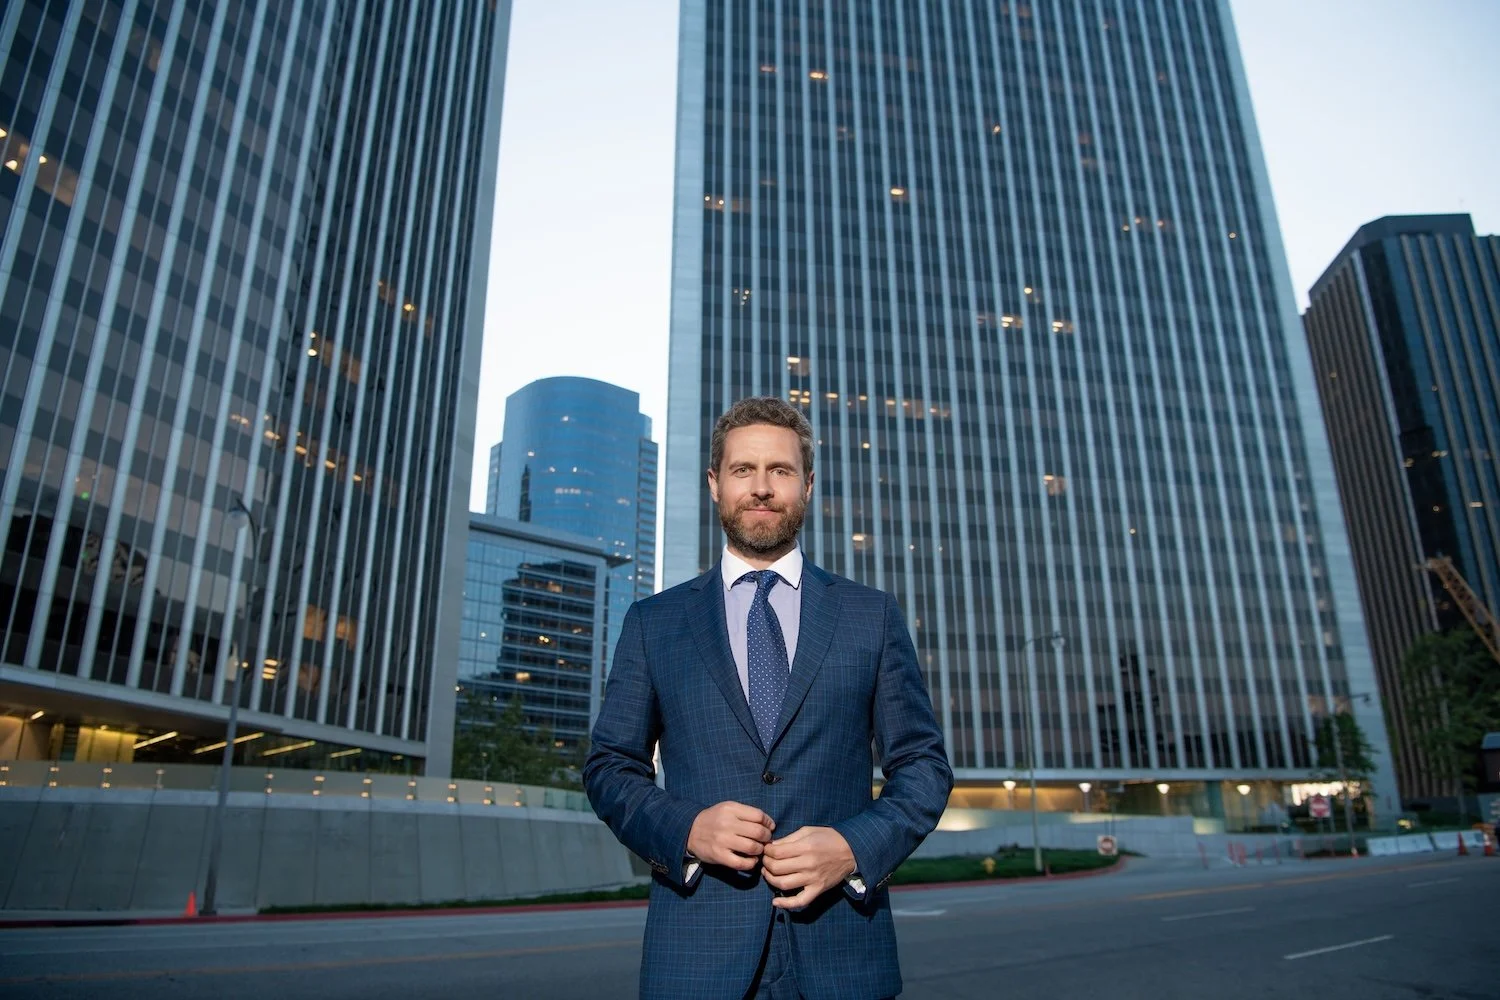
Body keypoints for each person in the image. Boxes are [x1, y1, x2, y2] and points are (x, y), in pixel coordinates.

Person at [584, 396, 953, 1000]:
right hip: (698, 956)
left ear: (806, 485)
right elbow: (609, 768)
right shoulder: (655, 622)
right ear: (714, 484)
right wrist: (688, 829)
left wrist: (852, 848)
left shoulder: (872, 616)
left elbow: (923, 767)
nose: (761, 488)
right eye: (742, 470)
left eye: (779, 471)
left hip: (842, 952)